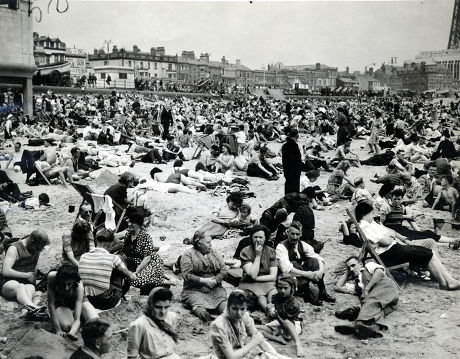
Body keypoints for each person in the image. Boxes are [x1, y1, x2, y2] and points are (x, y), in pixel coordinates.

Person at [355, 201, 460, 290]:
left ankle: (449, 281)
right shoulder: (365, 227)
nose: (373, 215)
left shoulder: (371, 223)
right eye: (372, 213)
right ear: (366, 213)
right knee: (428, 253)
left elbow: (391, 233)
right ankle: (445, 283)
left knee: (428, 251)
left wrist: (390, 235)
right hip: (389, 254)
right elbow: (386, 241)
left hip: (394, 248)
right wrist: (390, 236)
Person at [334, 257, 399, 339]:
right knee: (378, 312)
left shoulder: (368, 266)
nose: (351, 268)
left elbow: (380, 273)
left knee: (371, 300)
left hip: (387, 288)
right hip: (386, 304)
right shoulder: (357, 284)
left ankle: (359, 323)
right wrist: (348, 272)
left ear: (360, 264)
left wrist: (367, 289)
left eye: (353, 265)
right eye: (349, 267)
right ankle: (371, 329)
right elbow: (338, 287)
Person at [210, 290, 286, 359]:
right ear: (228, 307)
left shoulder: (244, 316)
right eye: (235, 309)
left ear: (246, 308)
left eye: (242, 309)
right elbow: (231, 357)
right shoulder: (219, 325)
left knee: (271, 356)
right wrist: (253, 343)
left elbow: (260, 340)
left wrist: (276, 355)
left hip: (244, 355)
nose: (239, 313)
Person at [276, 221, 335, 306]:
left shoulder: (303, 245)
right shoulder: (281, 247)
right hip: (287, 277)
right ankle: (307, 294)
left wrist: (320, 271)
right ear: (287, 233)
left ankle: (322, 292)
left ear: (301, 234)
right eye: (292, 234)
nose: (295, 237)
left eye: (297, 234)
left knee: (314, 261)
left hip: (300, 273)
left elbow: (318, 257)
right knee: (294, 264)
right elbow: (287, 269)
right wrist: (307, 274)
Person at [78, 229, 137, 313]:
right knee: (121, 258)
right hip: (107, 301)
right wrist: (133, 274)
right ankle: (121, 296)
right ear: (111, 243)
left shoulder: (83, 256)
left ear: (96, 241)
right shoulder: (113, 258)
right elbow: (131, 278)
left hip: (87, 299)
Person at [180, 231, 228, 322]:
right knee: (195, 301)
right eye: (208, 242)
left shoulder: (213, 251)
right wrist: (204, 281)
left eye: (211, 242)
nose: (211, 245)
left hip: (214, 287)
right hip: (194, 288)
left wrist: (214, 282)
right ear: (199, 243)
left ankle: (229, 315)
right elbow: (186, 275)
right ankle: (205, 316)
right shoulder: (188, 254)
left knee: (221, 300)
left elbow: (224, 270)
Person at [258, 274, 305, 357]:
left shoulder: (294, 304)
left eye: (285, 288)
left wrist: (276, 317)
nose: (282, 290)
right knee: (258, 328)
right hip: (278, 324)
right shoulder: (275, 298)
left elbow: (285, 324)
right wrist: (269, 309)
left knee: (286, 322)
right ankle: (276, 338)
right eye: (280, 288)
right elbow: (271, 315)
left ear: (292, 288)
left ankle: (298, 345)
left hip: (292, 327)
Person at [127, 287, 181, 359]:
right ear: (150, 305)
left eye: (166, 307)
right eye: (158, 307)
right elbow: (132, 356)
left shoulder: (172, 317)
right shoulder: (139, 325)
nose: (163, 312)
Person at [238, 225, 277, 312]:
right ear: (251, 238)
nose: (258, 240)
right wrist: (258, 256)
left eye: (260, 237)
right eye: (255, 237)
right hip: (249, 283)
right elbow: (252, 275)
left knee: (273, 291)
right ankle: (267, 310)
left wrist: (256, 278)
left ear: (265, 238)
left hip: (266, 281)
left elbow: (273, 276)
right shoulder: (245, 252)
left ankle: (273, 309)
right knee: (260, 295)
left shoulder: (271, 251)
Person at [47, 264, 88, 340]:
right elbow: (51, 305)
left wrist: (72, 333)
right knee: (66, 326)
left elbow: (77, 319)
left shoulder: (79, 286)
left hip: (74, 304)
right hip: (61, 305)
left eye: (69, 284)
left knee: (93, 320)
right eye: (63, 284)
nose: (66, 288)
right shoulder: (52, 277)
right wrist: (58, 330)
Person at [281, 128, 303, 194]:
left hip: (287, 169)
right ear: (297, 136)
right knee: (295, 187)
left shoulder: (285, 145)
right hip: (295, 170)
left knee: (288, 185)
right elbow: (298, 159)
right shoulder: (295, 146)